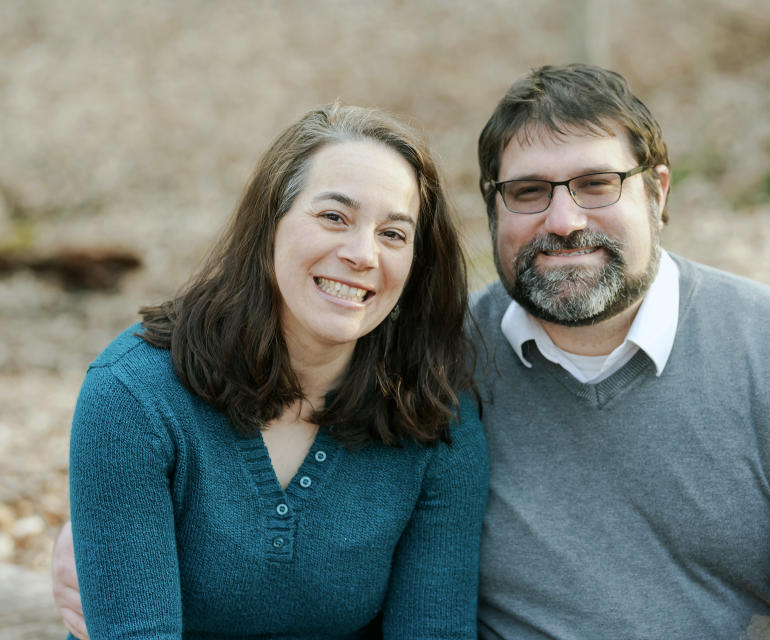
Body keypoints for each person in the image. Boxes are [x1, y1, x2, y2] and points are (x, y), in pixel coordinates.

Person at [54, 64, 770, 638]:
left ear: (658, 192)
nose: (563, 220)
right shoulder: (448, 360)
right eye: (528, 192)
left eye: (597, 184)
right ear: (491, 211)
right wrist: (103, 532)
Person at [59, 102, 488, 639]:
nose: (362, 254)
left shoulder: (432, 415)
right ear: (268, 228)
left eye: (394, 234)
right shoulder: (134, 396)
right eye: (334, 217)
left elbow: (433, 629)